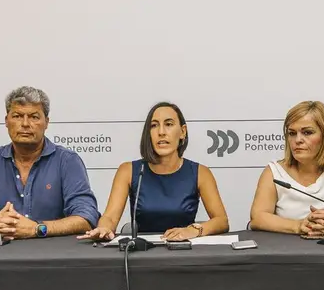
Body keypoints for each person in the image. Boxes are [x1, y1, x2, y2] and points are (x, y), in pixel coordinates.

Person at [0, 86, 99, 239]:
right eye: (18, 116)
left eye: (34, 117)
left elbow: (86, 218)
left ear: (46, 122)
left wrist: (38, 229)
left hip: (53, 257)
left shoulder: (67, 161)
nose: (25, 124)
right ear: (6, 121)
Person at [80, 102, 230, 242]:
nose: (161, 132)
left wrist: (194, 230)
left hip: (184, 253)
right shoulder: (128, 170)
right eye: (154, 125)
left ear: (182, 132)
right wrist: (104, 228)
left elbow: (221, 221)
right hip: (142, 255)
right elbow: (110, 218)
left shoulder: (200, 172)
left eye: (169, 124)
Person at [249, 101, 324, 237]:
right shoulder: (274, 172)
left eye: (307, 132)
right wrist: (298, 225)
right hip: (284, 253)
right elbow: (258, 217)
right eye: (292, 133)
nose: (298, 140)